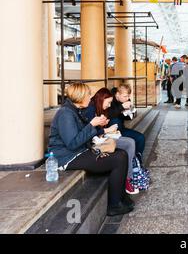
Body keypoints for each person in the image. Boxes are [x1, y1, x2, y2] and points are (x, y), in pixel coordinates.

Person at [48, 83, 133, 217]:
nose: (90, 98)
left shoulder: (75, 110)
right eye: (88, 95)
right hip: (68, 157)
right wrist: (92, 125)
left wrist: (96, 129)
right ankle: (114, 205)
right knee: (119, 159)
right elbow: (72, 143)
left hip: (79, 151)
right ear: (81, 96)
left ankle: (121, 197)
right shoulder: (66, 114)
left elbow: (82, 136)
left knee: (121, 153)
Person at [83, 88, 139, 195]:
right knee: (129, 143)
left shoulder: (96, 107)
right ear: (101, 99)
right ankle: (128, 179)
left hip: (100, 137)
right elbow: (87, 131)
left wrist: (103, 125)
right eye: (108, 102)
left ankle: (129, 177)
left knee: (130, 143)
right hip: (94, 142)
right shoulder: (90, 109)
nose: (109, 105)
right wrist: (105, 129)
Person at [109, 84, 146, 165]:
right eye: (125, 96)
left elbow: (128, 116)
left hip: (121, 129)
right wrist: (121, 107)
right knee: (115, 120)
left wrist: (131, 113)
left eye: (128, 96)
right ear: (117, 94)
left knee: (141, 138)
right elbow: (109, 114)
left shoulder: (126, 100)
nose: (127, 98)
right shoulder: (110, 99)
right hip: (110, 132)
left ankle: (137, 161)